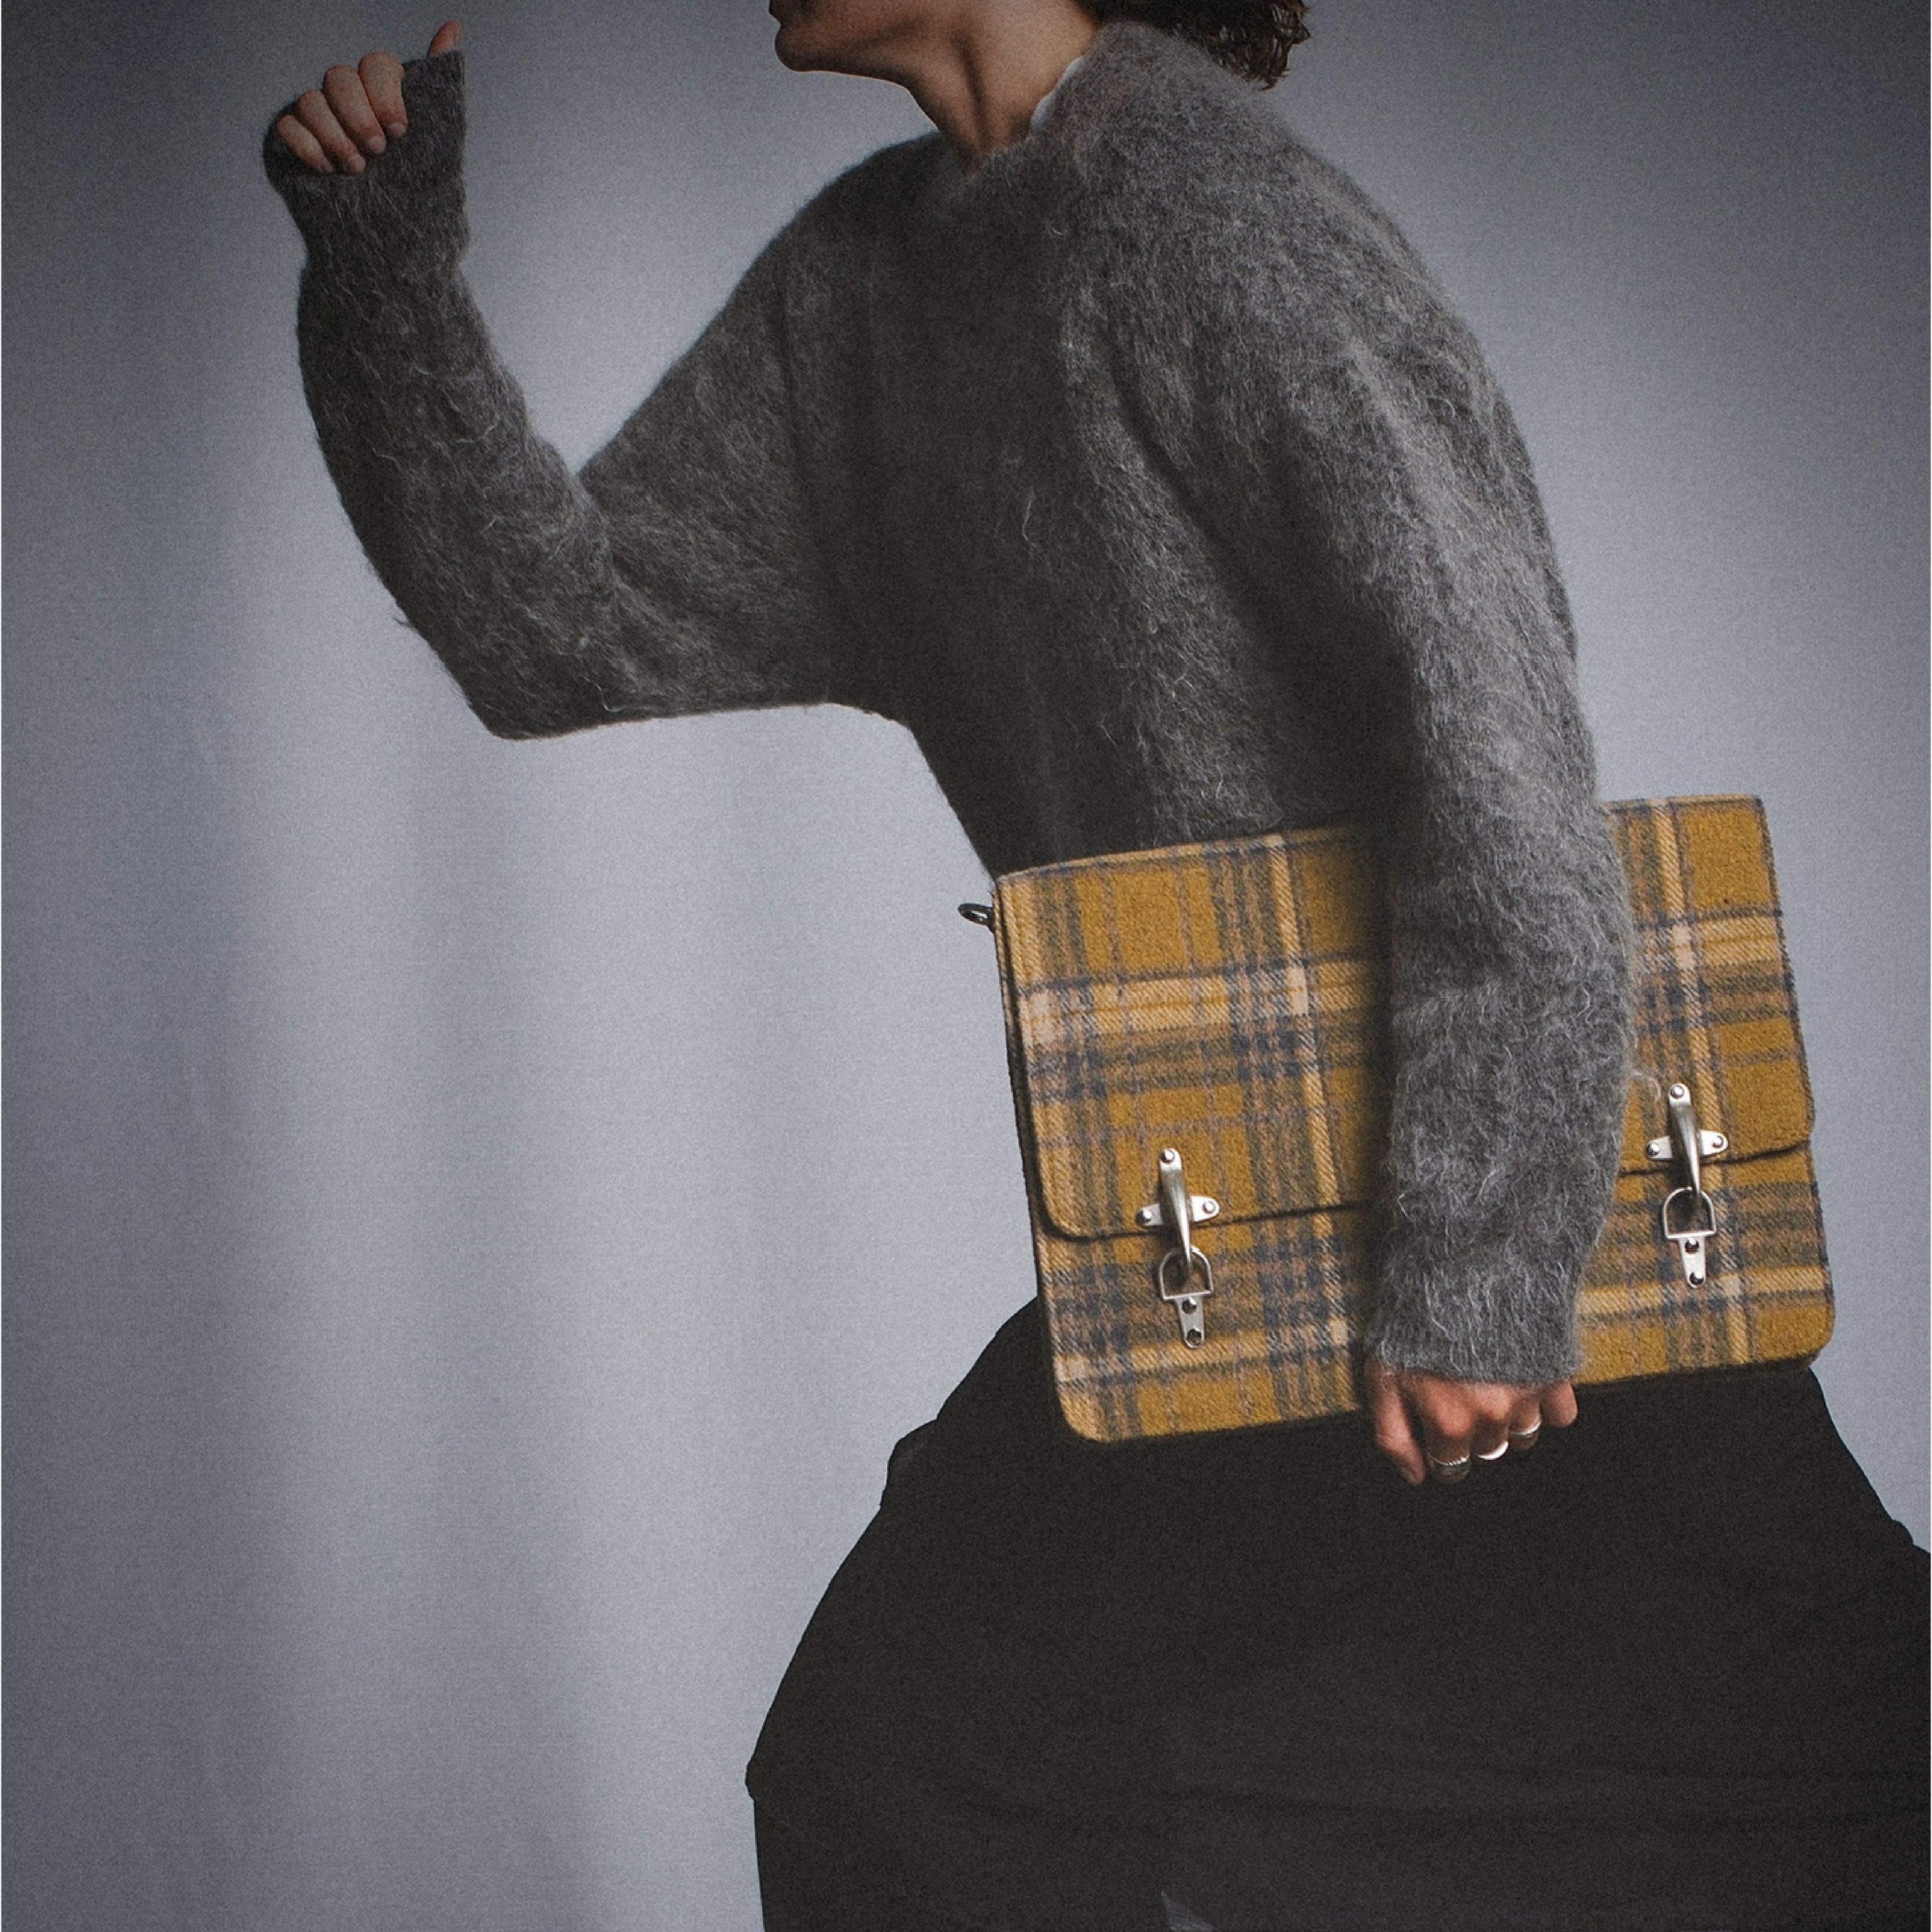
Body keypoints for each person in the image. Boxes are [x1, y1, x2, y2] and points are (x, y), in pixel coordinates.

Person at [265, 6, 1927, 1927]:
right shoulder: (863, 290)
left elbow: (1502, 759)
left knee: (1828, 1783)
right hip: (1226, 1244)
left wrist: (1484, 1270)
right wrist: (385, 269)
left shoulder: (1215, 223)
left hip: (1528, 1234)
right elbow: (557, 627)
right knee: (917, 1759)